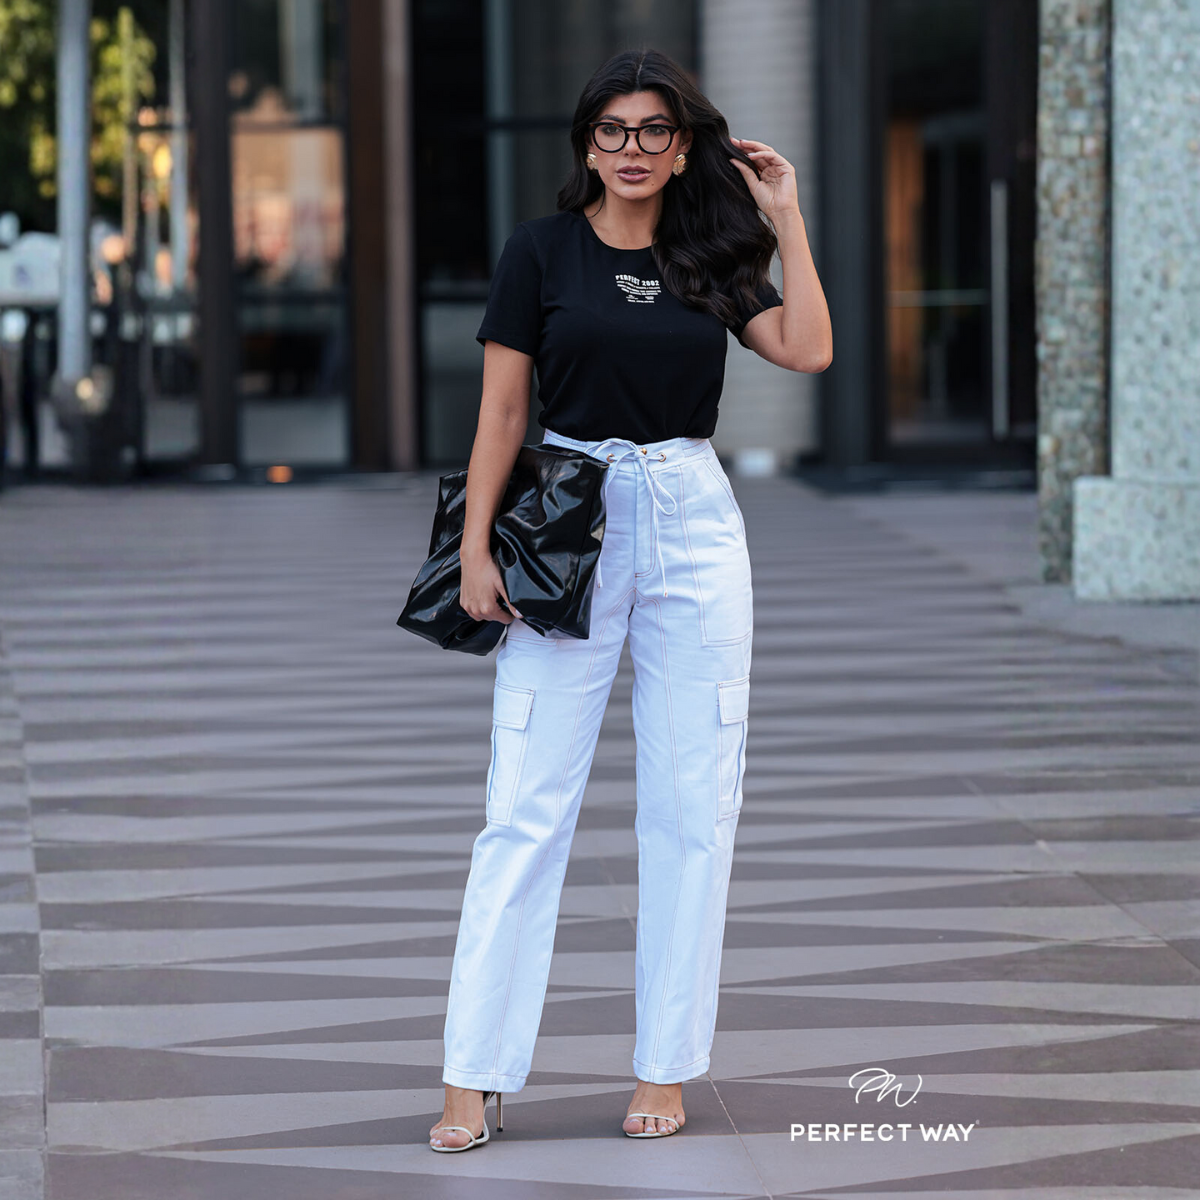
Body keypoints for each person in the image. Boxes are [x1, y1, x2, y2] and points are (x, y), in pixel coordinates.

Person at [429, 47, 832, 1153]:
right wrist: (476, 550)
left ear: (685, 146)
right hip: (569, 520)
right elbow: (502, 413)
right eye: (613, 130)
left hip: (692, 518)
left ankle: (665, 1064)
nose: (634, 149)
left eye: (656, 130)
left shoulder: (711, 254)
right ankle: (472, 1072)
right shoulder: (541, 251)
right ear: (589, 145)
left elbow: (806, 348)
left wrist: (786, 216)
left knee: (694, 804)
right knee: (525, 801)